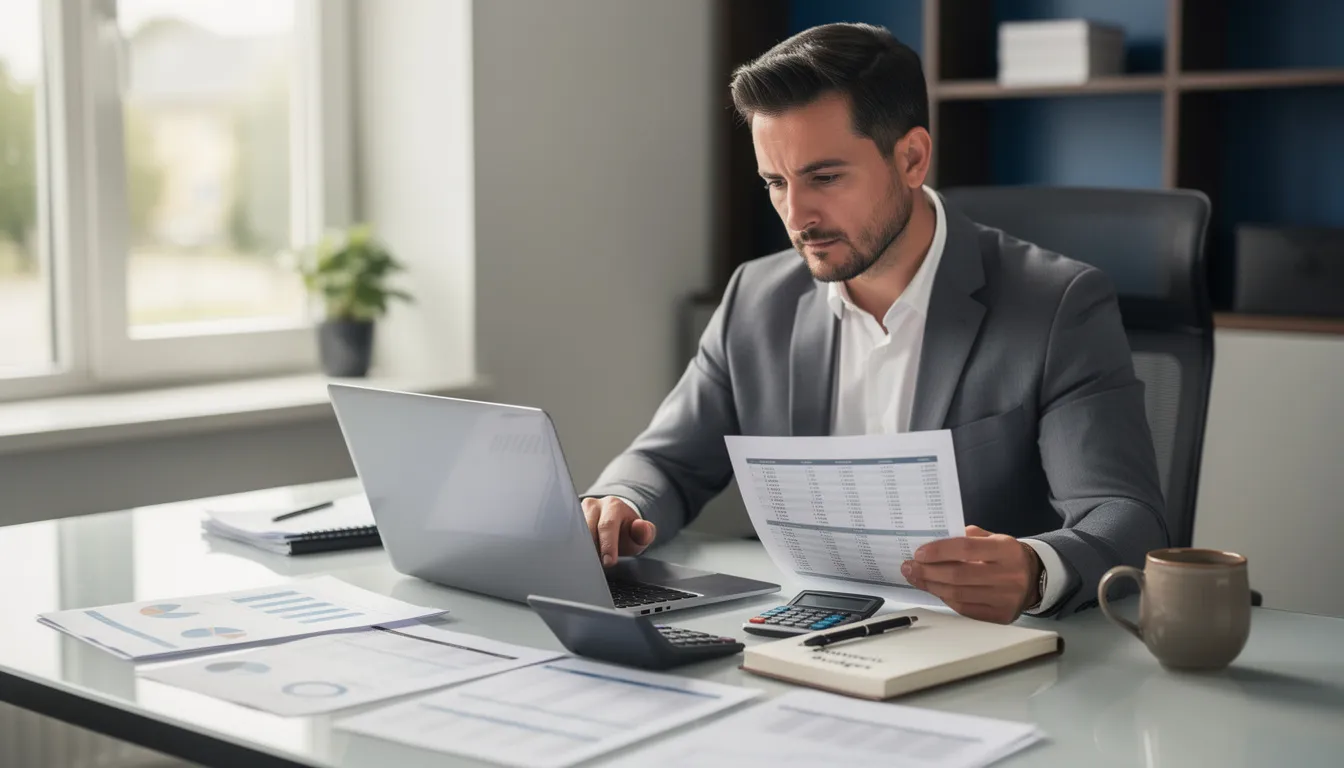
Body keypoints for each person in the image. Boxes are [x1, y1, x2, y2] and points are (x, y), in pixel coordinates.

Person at [581, 22, 1167, 624]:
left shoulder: (1056, 304)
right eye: (775, 183)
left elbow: (1125, 515)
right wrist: (619, 501)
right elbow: (666, 462)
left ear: (911, 158)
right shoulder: (755, 299)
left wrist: (1038, 567)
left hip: (981, 649)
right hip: (806, 633)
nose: (797, 215)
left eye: (824, 177)